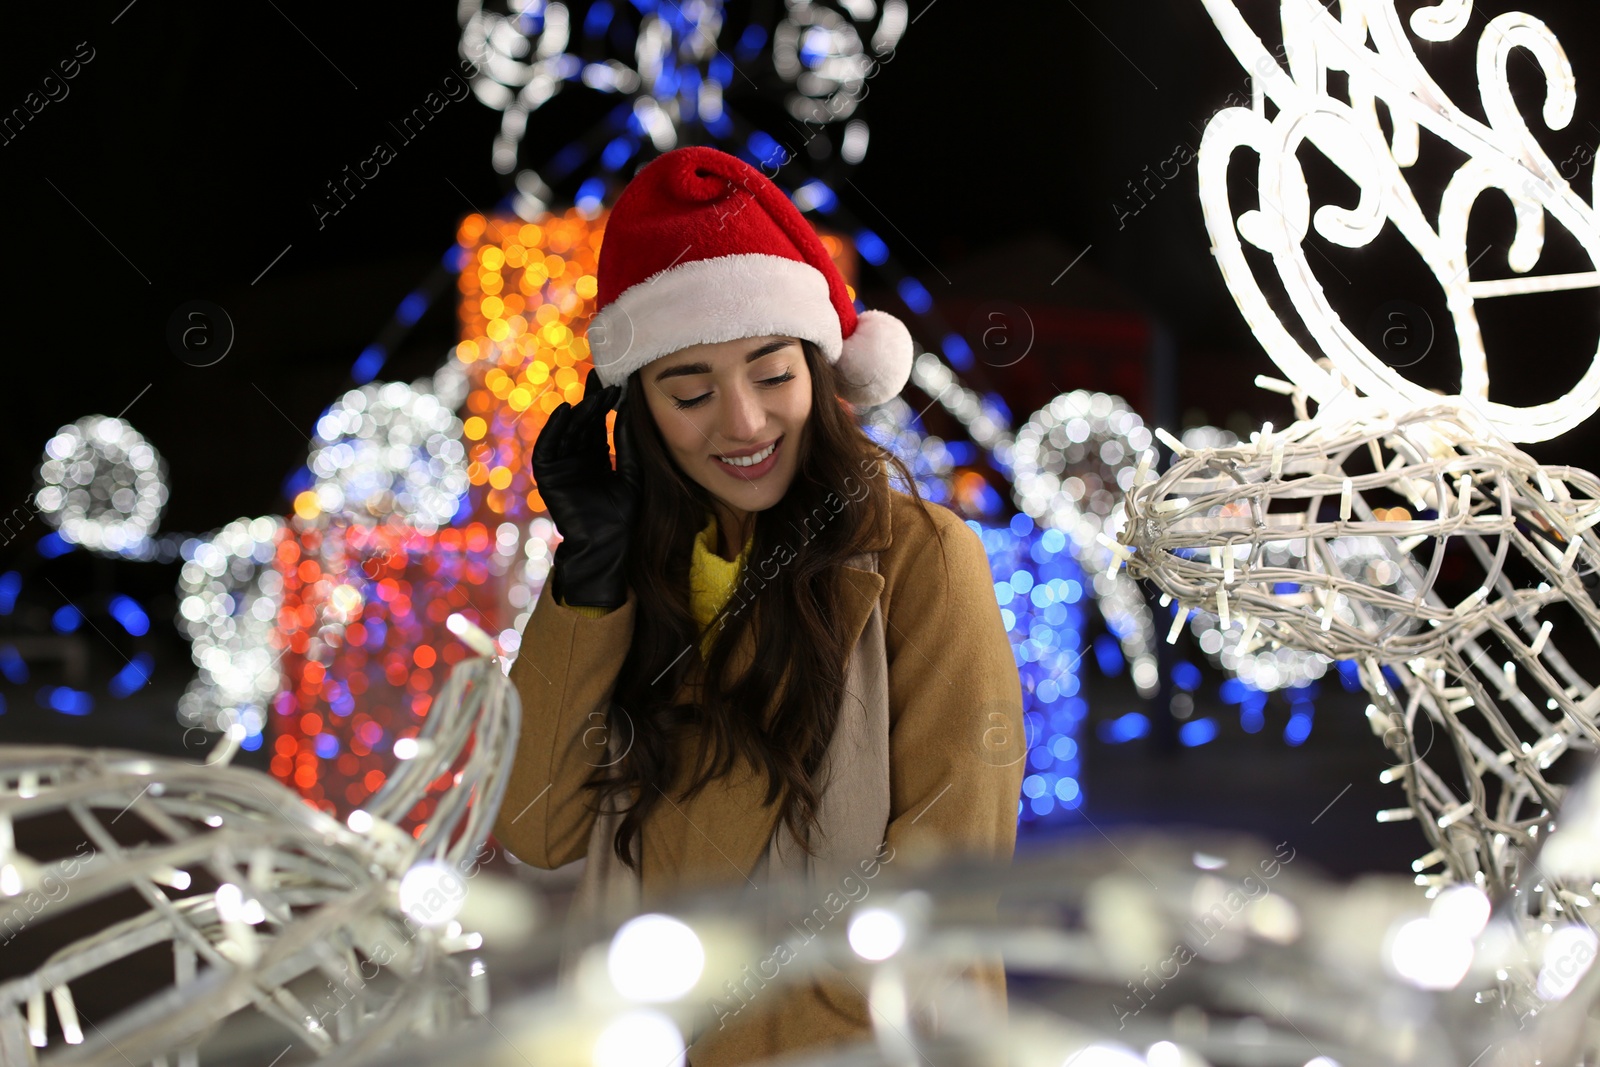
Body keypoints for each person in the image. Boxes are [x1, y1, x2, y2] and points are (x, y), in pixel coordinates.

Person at [491, 145, 1025, 1066]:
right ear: (642, 410)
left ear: (822, 372)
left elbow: (944, 887)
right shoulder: (635, 580)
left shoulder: (920, 560)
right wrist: (589, 580)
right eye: (690, 390)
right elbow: (537, 832)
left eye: (771, 373)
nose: (741, 422)